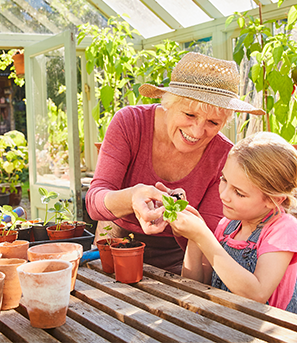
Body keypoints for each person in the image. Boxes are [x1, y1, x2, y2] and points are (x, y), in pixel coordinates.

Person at [85, 52, 264, 274]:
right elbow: (94, 202)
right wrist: (133, 197)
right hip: (116, 242)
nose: (197, 132)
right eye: (189, 114)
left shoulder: (224, 156)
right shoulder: (129, 123)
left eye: (213, 122)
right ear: (168, 103)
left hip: (178, 259)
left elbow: (205, 242)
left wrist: (181, 216)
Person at [169, 132, 297, 313]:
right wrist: (195, 238)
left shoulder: (283, 229)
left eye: (239, 192)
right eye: (224, 180)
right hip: (226, 325)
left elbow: (256, 294)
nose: (224, 195)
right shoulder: (227, 226)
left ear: (274, 199)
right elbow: (196, 284)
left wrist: (204, 236)